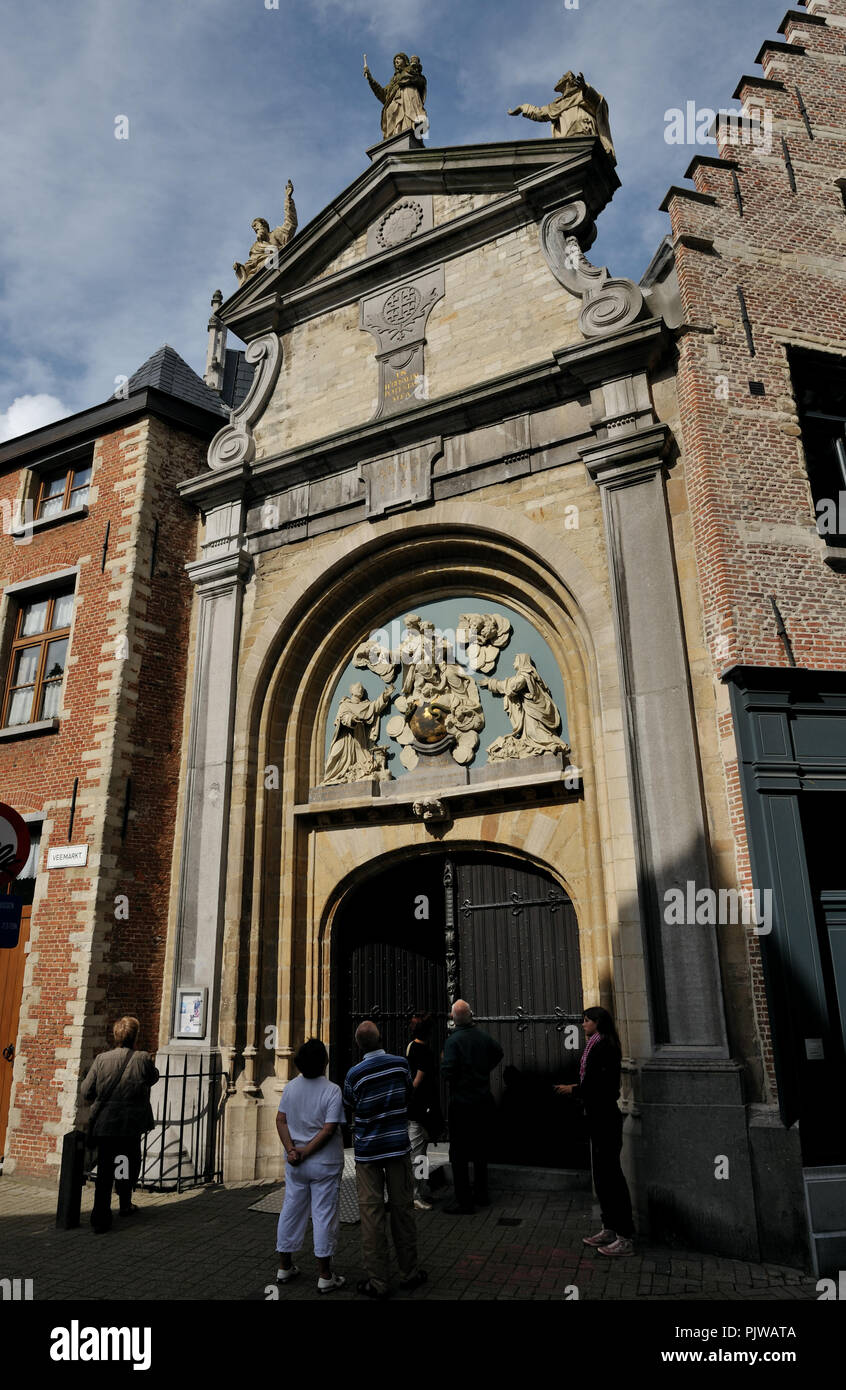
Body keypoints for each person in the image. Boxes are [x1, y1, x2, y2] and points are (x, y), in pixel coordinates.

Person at [343, 1020, 427, 1298]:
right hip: (396, 1147)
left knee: (371, 1215)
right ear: (381, 1038)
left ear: (358, 1046)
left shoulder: (354, 1075)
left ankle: (378, 1281)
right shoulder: (400, 1065)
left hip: (368, 1152)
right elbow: (408, 1091)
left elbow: (349, 1106)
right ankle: (409, 1273)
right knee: (402, 1210)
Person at [555, 1006, 635, 1257]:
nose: (583, 1025)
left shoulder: (604, 1047)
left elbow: (600, 1085)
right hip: (597, 1116)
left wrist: (575, 1091)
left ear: (598, 1023)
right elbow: (594, 1081)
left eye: (587, 1021)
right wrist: (578, 1088)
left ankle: (625, 1236)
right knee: (602, 1175)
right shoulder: (597, 1045)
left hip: (604, 1118)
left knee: (611, 1176)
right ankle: (609, 1226)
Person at [275, 1038, 346, 1293]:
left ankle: (284, 1266)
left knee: (291, 1210)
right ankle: (325, 1275)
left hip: (297, 1164)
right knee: (324, 1215)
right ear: (325, 1061)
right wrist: (305, 1150)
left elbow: (280, 1120)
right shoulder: (332, 1090)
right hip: (324, 1163)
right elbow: (329, 1129)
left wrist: (291, 1149)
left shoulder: (291, 1088)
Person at [80, 1015, 159, 1234]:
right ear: (135, 1036)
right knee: (125, 1163)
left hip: (106, 1125)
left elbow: (86, 1091)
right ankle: (125, 1204)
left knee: (105, 1169)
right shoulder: (142, 1058)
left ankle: (100, 1216)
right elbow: (153, 1079)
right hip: (129, 1125)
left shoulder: (101, 1059)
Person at [439, 999, 503, 1215]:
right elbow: (498, 1052)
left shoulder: (453, 1041)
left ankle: (464, 1201)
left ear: (453, 1019)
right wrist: (482, 1069)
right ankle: (482, 1194)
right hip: (483, 1100)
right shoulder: (482, 1037)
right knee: (480, 1150)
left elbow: (448, 1072)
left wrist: (456, 1073)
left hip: (463, 1104)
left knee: (458, 1154)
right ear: (471, 1015)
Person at [406, 1011, 441, 1210]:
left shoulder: (411, 1047)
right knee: (418, 1154)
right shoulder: (425, 1052)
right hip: (420, 1108)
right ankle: (415, 1194)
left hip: (415, 1107)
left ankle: (422, 1189)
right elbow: (417, 1081)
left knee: (421, 1152)